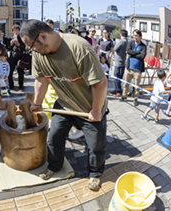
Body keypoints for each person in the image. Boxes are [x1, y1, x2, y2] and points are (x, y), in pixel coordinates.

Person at [20, 20, 108, 191]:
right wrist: (37, 104)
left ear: (43, 36)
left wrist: (96, 111)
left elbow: (100, 83)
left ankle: (95, 173)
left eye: (32, 46)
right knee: (54, 138)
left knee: (95, 144)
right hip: (64, 103)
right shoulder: (39, 54)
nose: (33, 51)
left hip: (89, 107)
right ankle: (54, 165)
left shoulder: (78, 48)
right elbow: (40, 80)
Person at [120, 29, 147, 106]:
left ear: (140, 37)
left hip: (137, 70)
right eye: (134, 35)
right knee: (126, 83)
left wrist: (132, 54)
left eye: (137, 36)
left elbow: (142, 56)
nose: (135, 37)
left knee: (136, 85)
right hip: (129, 68)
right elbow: (128, 51)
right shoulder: (131, 43)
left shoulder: (143, 46)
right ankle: (124, 96)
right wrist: (138, 52)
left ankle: (135, 98)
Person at [109, 30, 128, 97]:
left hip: (118, 61)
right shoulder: (127, 41)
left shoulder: (121, 41)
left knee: (116, 76)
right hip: (123, 60)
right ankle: (116, 89)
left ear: (120, 35)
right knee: (119, 76)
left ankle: (119, 91)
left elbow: (116, 48)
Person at [8, 25, 26, 90]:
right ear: (12, 31)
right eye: (14, 30)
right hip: (12, 56)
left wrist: (18, 44)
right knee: (10, 71)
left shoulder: (22, 39)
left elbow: (24, 48)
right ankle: (11, 85)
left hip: (20, 56)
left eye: (17, 30)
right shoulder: (10, 39)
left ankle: (21, 85)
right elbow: (8, 48)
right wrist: (11, 44)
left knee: (20, 71)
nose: (16, 32)